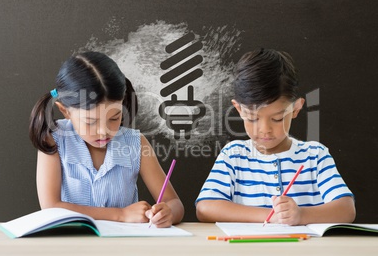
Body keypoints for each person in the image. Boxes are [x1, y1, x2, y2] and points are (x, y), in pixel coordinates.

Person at [195, 48, 355, 225]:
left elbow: (346, 210)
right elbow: (205, 208)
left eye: (277, 118)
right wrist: (271, 216)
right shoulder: (233, 155)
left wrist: (300, 215)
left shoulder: (315, 155)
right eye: (253, 118)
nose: (265, 129)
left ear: (296, 109)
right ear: (239, 109)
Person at [29, 51, 184, 228]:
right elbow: (50, 207)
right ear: (65, 111)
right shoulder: (54, 139)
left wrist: (168, 213)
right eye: (90, 122)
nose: (104, 132)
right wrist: (121, 214)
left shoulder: (135, 143)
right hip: (72, 244)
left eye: (114, 118)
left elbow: (174, 203)